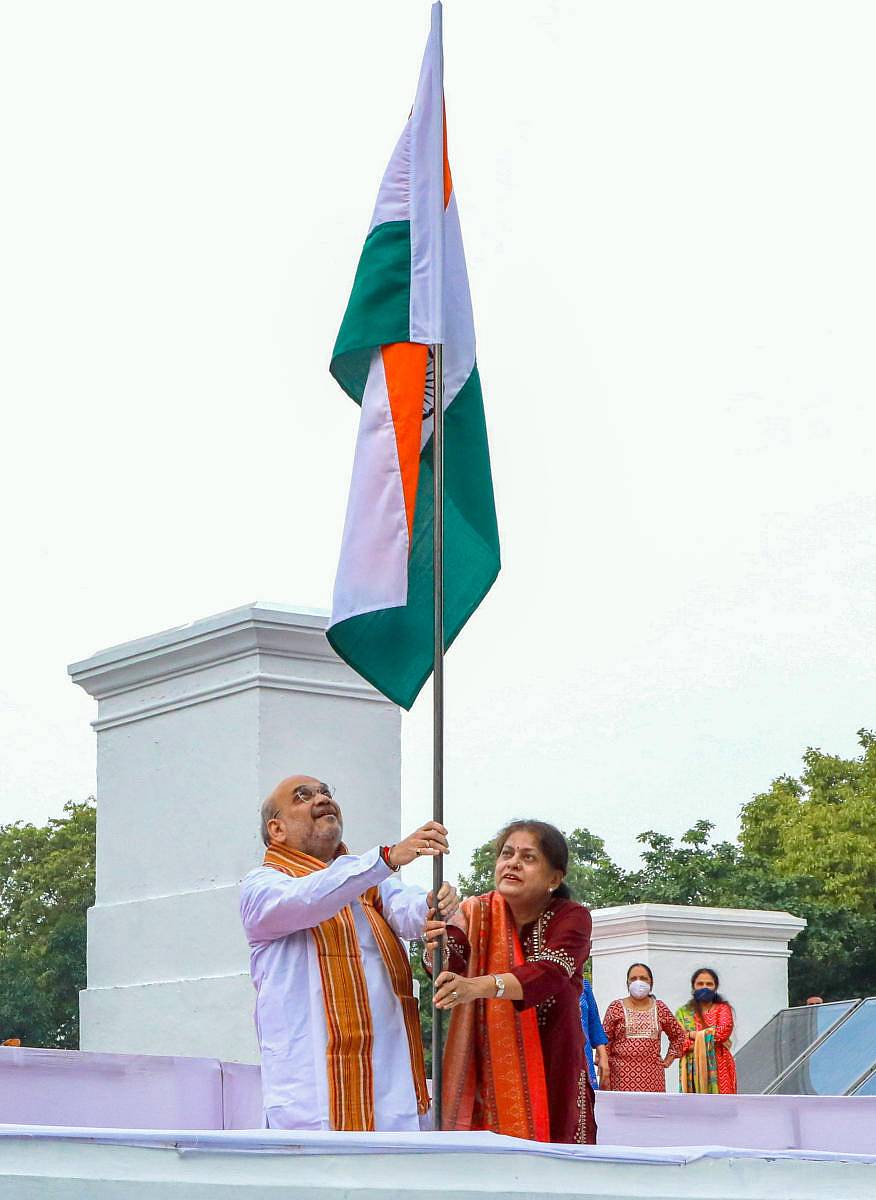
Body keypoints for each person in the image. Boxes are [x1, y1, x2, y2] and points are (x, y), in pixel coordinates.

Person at [239, 774, 458, 1132]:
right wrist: (386, 858)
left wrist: (432, 907)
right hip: (314, 1095)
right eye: (302, 796)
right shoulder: (262, 887)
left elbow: (406, 910)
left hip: (389, 1086)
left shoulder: (371, 881)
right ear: (276, 830)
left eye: (325, 792)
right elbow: (308, 900)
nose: (321, 798)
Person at [426, 819, 596, 1144]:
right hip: (484, 1070)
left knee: (556, 1175)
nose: (513, 863)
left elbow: (551, 972)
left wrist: (479, 986)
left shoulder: (572, 918)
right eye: (507, 853)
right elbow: (448, 963)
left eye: (528, 857)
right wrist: (438, 940)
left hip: (552, 1066)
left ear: (554, 878)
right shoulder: (475, 912)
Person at [601, 963, 687, 1092]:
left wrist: (670, 1057)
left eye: (643, 978)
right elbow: (604, 1040)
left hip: (653, 1078)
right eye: (633, 979)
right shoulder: (616, 1007)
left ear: (651, 983)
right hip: (619, 1077)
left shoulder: (660, 1008)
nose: (638, 982)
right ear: (627, 983)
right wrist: (604, 1069)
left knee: (651, 1111)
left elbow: (678, 1035)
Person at [675, 966, 737, 1094]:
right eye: (700, 984)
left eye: (709, 984)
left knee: (721, 1107)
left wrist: (692, 1035)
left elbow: (722, 1033)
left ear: (715, 987)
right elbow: (679, 1041)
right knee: (693, 1109)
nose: (704, 987)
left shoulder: (723, 1009)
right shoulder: (683, 1012)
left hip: (719, 1067)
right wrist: (708, 1038)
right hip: (691, 1068)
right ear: (693, 987)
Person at [580, 978, 609, 1089]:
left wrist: (603, 1057)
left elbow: (594, 1022)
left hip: (583, 1056)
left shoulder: (584, 985)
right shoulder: (545, 983)